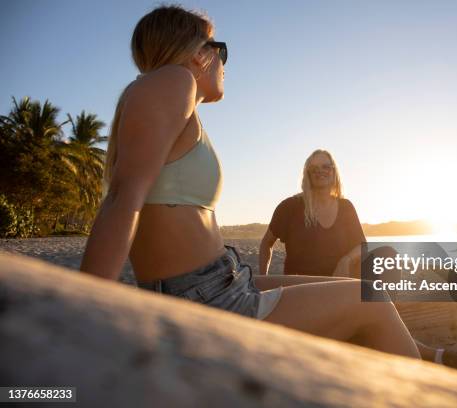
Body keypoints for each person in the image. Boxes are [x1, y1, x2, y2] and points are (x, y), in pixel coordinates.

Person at [80, 5, 422, 361]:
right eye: (220, 49)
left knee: (356, 292)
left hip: (224, 281)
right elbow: (124, 197)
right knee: (373, 301)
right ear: (199, 54)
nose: (224, 63)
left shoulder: (167, 100)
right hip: (207, 297)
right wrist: (84, 307)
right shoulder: (174, 81)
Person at [259, 149, 457, 373]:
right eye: (314, 168)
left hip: (345, 281)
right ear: (307, 174)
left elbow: (362, 245)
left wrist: (347, 259)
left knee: (388, 255)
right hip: (307, 287)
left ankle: (383, 323)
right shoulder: (290, 206)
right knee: (364, 319)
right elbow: (266, 244)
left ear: (334, 172)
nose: (320, 171)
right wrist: (265, 282)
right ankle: (435, 355)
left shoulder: (346, 207)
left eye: (326, 167)